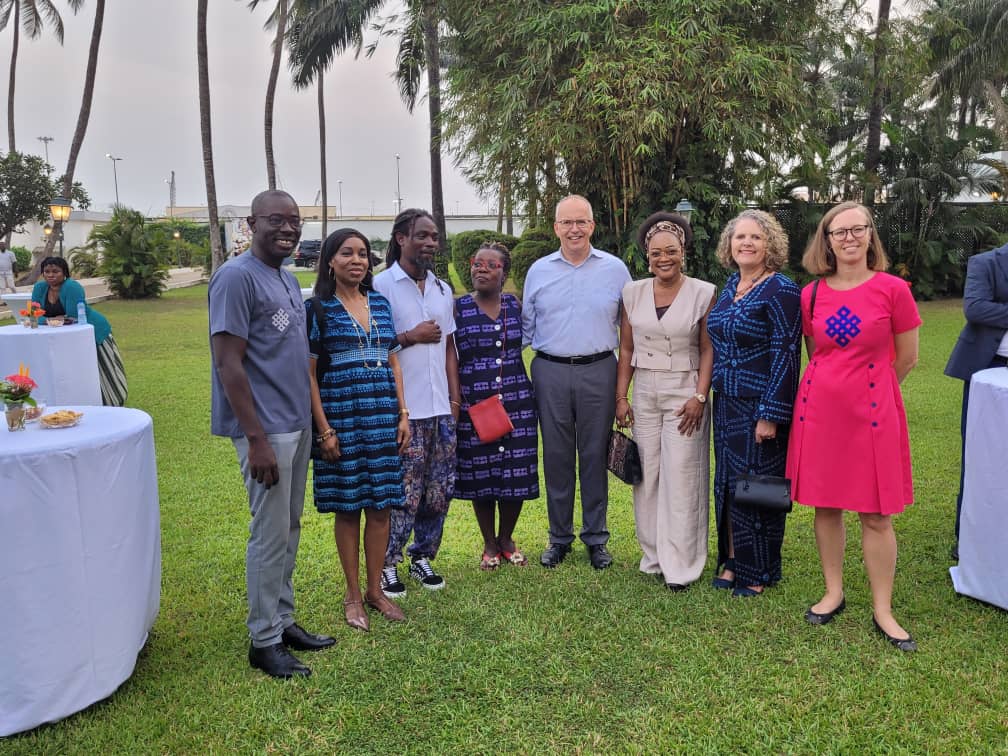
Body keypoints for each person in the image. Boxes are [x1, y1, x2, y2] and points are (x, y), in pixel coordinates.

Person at [209, 190, 335, 679]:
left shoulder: (284, 276)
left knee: (289, 526)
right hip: (266, 430)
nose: (288, 229)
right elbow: (228, 363)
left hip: (295, 422)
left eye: (294, 221)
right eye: (276, 220)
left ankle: (282, 619)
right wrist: (256, 438)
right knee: (269, 532)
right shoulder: (235, 277)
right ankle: (263, 640)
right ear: (251, 223)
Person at [786, 201, 921, 652]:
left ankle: (883, 609)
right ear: (826, 241)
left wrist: (871, 390)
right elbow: (816, 354)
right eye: (839, 231)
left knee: (876, 514)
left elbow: (907, 358)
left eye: (857, 229)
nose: (848, 238)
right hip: (821, 413)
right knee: (826, 506)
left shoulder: (893, 290)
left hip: (874, 415)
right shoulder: (811, 295)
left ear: (870, 235)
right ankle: (833, 592)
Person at [307, 229, 411, 629]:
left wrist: (404, 414)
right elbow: (309, 374)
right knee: (349, 509)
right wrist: (324, 430)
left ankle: (374, 591)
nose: (357, 260)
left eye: (363, 254)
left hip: (382, 418)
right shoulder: (318, 308)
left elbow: (394, 362)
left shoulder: (380, 303)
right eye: (347, 253)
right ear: (330, 261)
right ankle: (352, 595)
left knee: (381, 507)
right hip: (342, 419)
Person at [522, 194, 631, 569]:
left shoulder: (615, 269)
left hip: (599, 369)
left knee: (594, 455)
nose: (574, 229)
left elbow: (629, 329)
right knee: (556, 456)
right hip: (549, 370)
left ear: (592, 226)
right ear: (556, 228)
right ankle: (559, 537)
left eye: (581, 221)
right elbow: (526, 327)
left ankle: (596, 538)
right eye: (566, 222)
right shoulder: (539, 271)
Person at [615, 212, 716, 590]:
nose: (664, 258)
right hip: (644, 390)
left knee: (683, 475)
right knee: (647, 474)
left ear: (683, 252)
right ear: (647, 256)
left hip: (684, 390)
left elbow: (707, 349)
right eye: (656, 252)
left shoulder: (703, 292)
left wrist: (700, 396)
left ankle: (682, 565)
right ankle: (654, 556)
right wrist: (621, 397)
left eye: (671, 251)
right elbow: (626, 349)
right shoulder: (632, 292)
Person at [706, 210, 801, 597]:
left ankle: (758, 570)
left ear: (770, 244)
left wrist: (771, 415)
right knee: (729, 486)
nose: (746, 243)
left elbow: (786, 353)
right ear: (729, 245)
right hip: (726, 404)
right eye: (739, 237)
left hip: (760, 406)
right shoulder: (731, 285)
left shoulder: (781, 289)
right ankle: (732, 560)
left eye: (755, 237)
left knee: (758, 488)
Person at [373, 208, 461, 598]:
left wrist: (454, 400)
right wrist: (410, 336)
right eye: (422, 235)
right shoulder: (381, 286)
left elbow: (449, 349)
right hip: (403, 411)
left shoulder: (443, 290)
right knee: (403, 492)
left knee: (438, 491)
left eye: (434, 237)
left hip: (440, 407)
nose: (430, 242)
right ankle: (386, 564)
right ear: (401, 239)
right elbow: (372, 345)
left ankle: (422, 555)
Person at [454, 242, 539, 570]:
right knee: (482, 474)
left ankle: (506, 538)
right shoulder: (458, 308)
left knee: (515, 472)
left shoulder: (514, 305)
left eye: (492, 265)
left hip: (517, 401)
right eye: (477, 263)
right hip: (476, 403)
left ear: (504, 273)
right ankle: (489, 541)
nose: (482, 269)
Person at [944, 241, 1008, 560]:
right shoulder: (986, 262)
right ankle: (967, 537)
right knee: (979, 453)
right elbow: (975, 308)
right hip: (988, 368)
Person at [32, 256, 128, 406]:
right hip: (65, 336)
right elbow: (34, 314)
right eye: (47, 271)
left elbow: (73, 315)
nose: (50, 275)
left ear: (64, 273)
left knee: (101, 368)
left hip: (93, 330)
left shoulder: (72, 287)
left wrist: (48, 319)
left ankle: (113, 401)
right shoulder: (40, 288)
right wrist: (52, 319)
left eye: (55, 271)